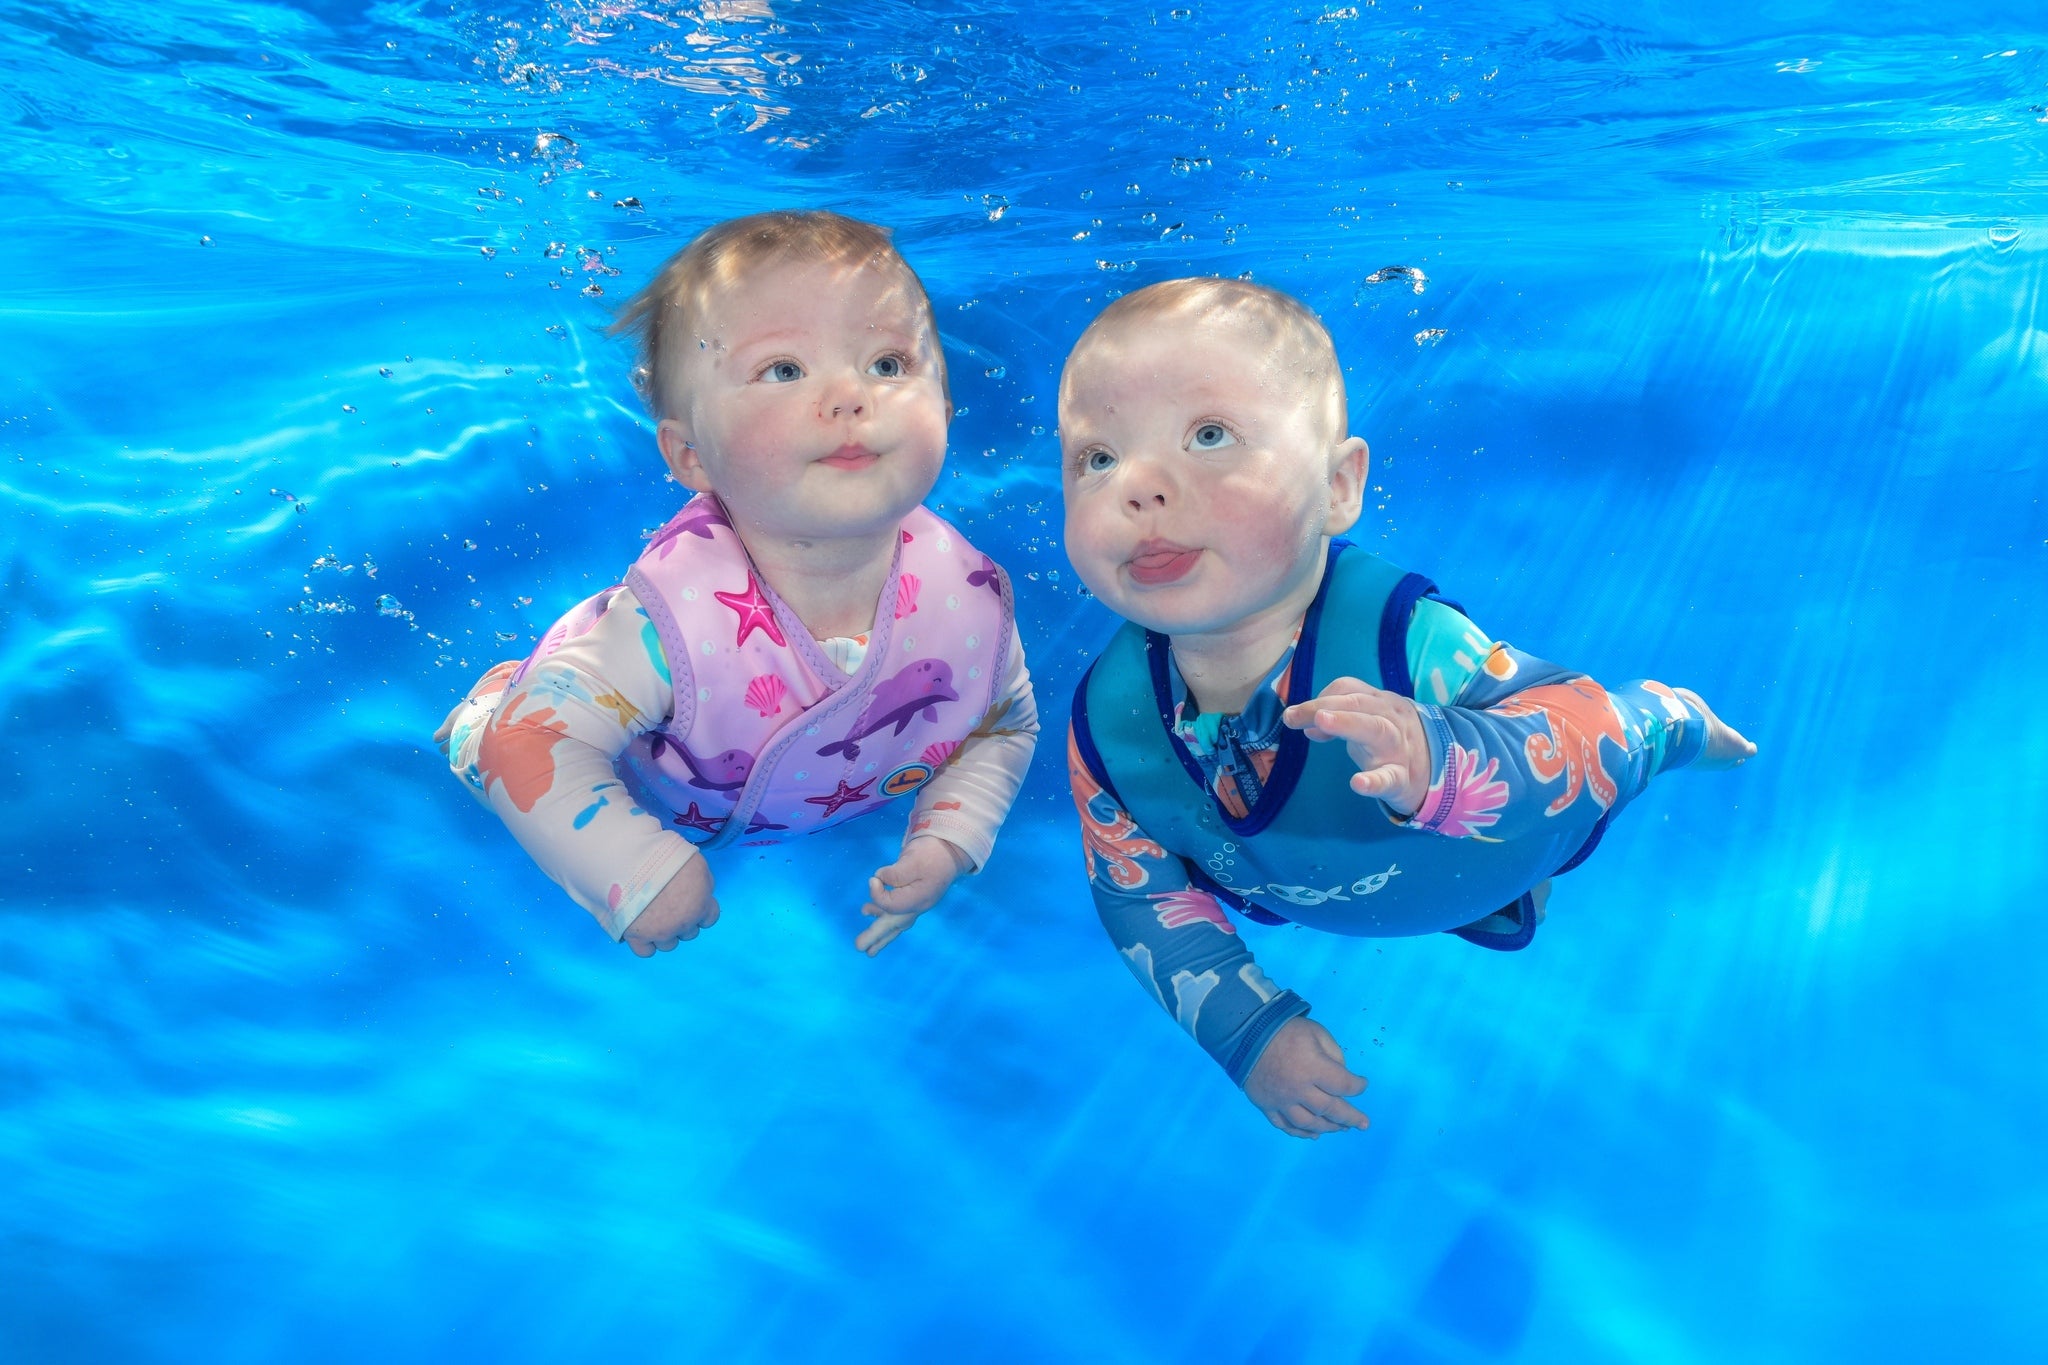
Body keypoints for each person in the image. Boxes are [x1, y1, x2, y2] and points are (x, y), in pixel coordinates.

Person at [1058, 278, 1754, 1138]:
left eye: (1208, 436)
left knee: (1624, 739)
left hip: (1513, 836)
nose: (1138, 486)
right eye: (1097, 457)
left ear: (1340, 486)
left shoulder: (1404, 641)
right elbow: (1139, 895)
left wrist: (1445, 756)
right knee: (1493, 917)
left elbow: (1573, 723)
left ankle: (1673, 714)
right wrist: (1246, 1030)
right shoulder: (1107, 722)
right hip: (1378, 886)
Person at [438, 211, 1038, 959]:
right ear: (690, 454)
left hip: (793, 799)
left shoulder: (965, 592)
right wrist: (632, 871)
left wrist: (951, 835)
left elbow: (1004, 721)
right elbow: (528, 743)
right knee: (501, 732)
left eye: (887, 364)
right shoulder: (670, 627)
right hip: (625, 749)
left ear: (945, 411)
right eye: (784, 370)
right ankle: (482, 702)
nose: (852, 396)